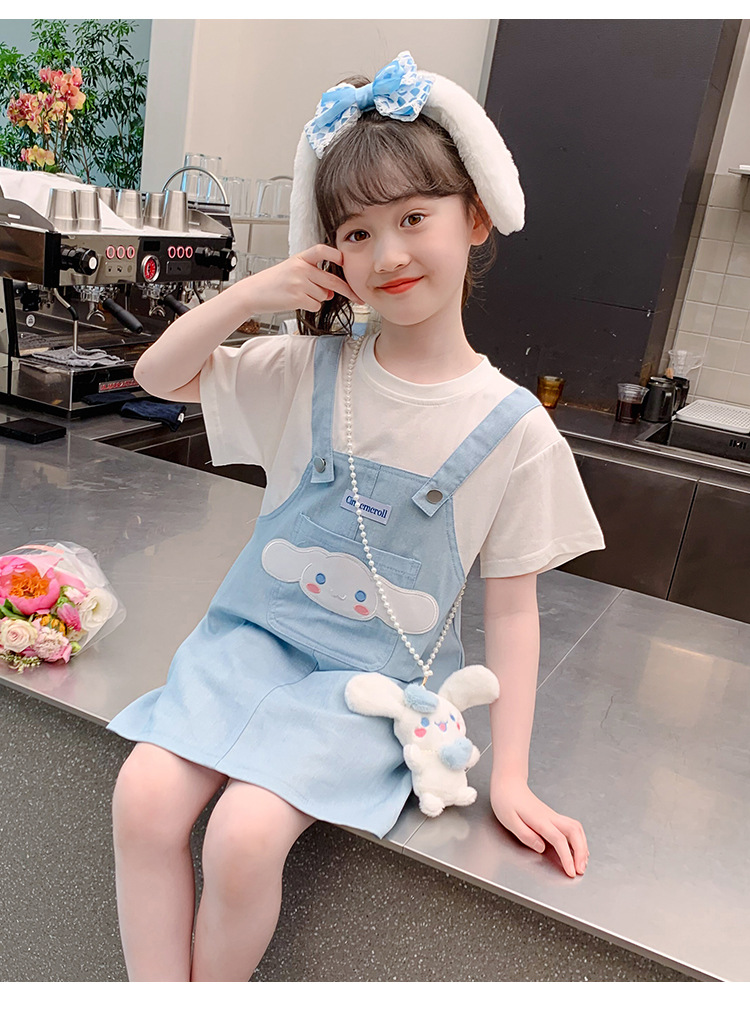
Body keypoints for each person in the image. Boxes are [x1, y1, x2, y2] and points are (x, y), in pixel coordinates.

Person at [107, 52, 605, 982]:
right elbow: (157, 376)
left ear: (476, 218)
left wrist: (509, 775)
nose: (390, 255)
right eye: (358, 232)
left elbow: (513, 611)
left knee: (245, 836)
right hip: (249, 647)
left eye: (414, 218)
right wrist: (252, 295)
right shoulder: (307, 369)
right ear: (333, 253)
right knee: (141, 797)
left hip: (371, 686)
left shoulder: (515, 429)